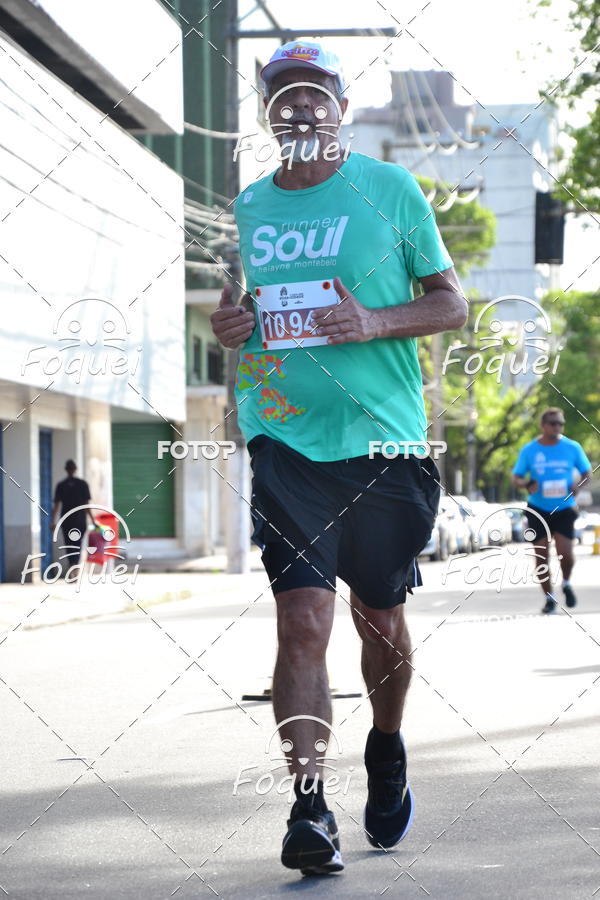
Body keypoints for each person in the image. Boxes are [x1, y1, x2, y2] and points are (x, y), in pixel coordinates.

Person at [211, 40, 467, 875]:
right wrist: (232, 331)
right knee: (303, 620)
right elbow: (251, 318)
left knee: (379, 620)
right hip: (286, 440)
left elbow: (449, 305)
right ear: (266, 115)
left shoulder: (389, 191)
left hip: (385, 444)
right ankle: (309, 807)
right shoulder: (250, 207)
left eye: (315, 95)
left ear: (341, 107)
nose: (300, 110)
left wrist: (372, 323)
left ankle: (386, 747)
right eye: (283, 97)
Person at [512, 408, 592, 614]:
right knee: (541, 557)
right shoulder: (530, 450)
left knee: (566, 554)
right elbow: (517, 477)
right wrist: (526, 484)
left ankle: (565, 583)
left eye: (560, 424)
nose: (557, 427)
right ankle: (549, 598)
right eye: (553, 423)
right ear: (543, 425)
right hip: (538, 509)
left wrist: (578, 485)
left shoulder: (572, 447)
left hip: (564, 508)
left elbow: (586, 473)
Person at [50, 460, 97, 566]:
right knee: (77, 543)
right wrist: (93, 521)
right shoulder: (82, 484)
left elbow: (57, 505)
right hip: (80, 521)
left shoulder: (61, 485)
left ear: (66, 470)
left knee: (68, 544)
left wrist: (53, 521)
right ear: (75, 469)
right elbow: (87, 505)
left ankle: (72, 564)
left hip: (66, 521)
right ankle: (75, 565)